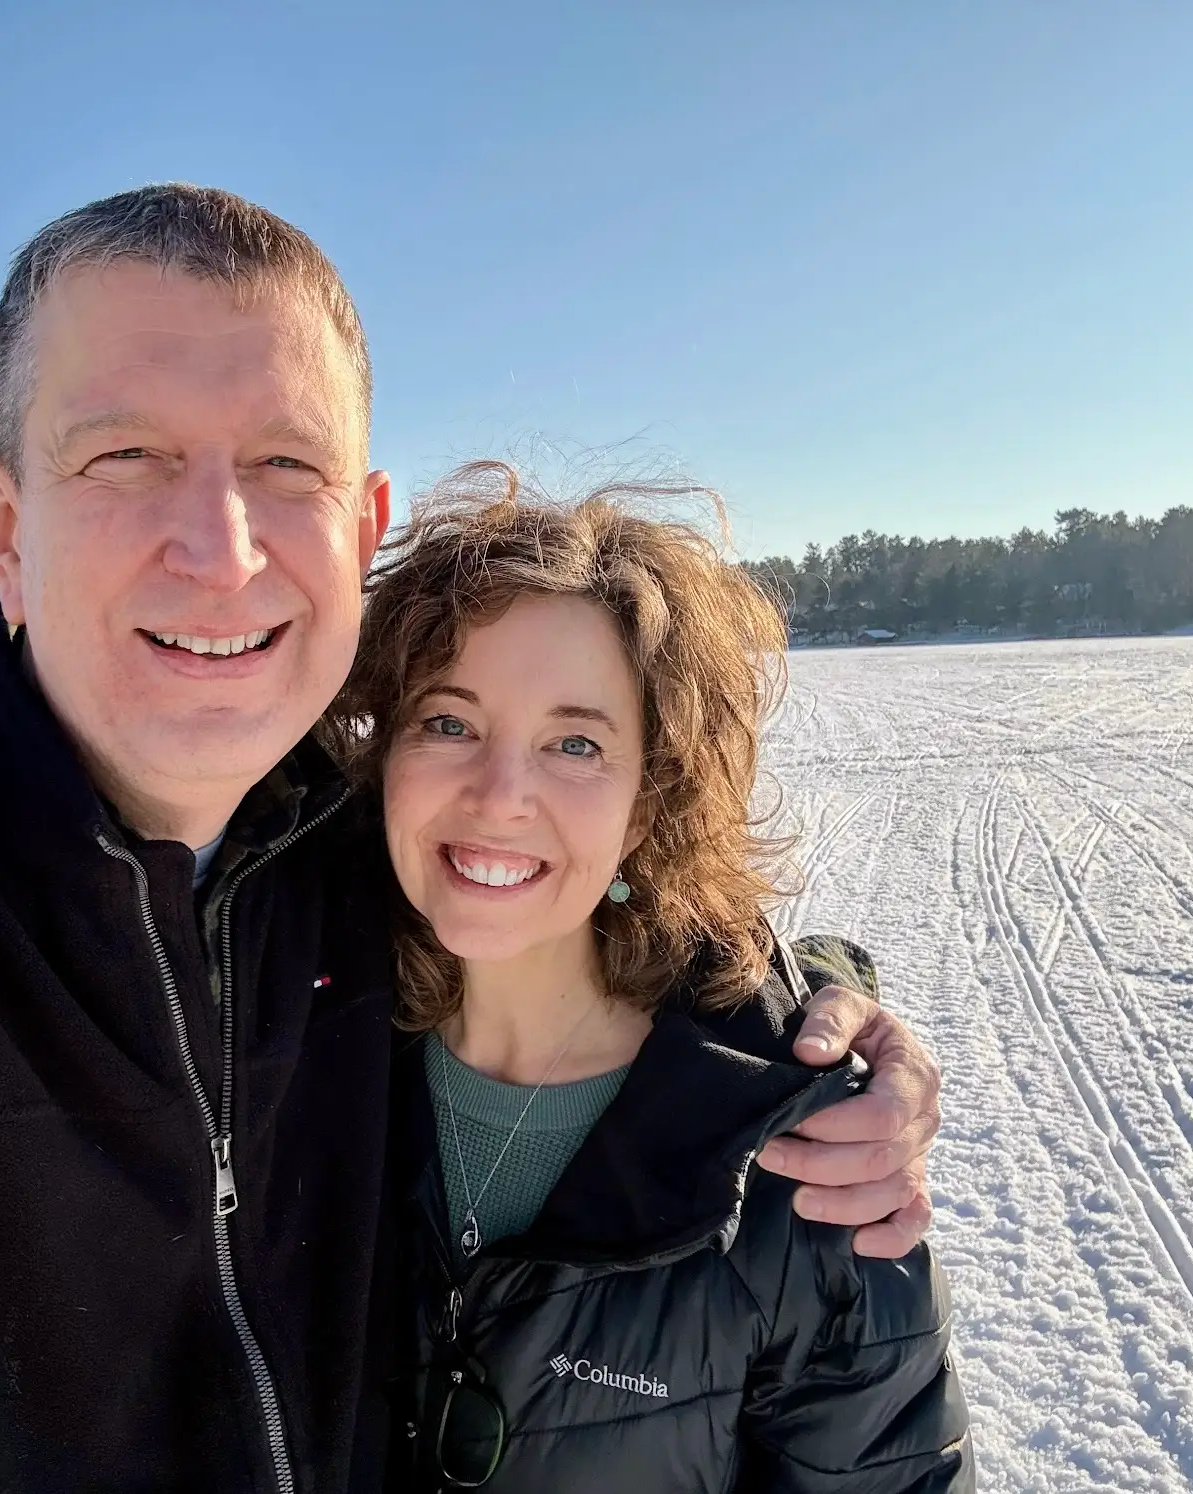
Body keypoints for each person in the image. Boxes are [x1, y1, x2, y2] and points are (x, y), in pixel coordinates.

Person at [0, 186, 942, 1493]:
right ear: (2, 522)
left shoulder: (357, 874)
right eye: (125, 457)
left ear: (358, 527)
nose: (221, 549)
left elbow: (592, 919)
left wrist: (812, 1021)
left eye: (285, 467)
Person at [324, 465, 969, 1491]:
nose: (500, 795)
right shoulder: (302, 1060)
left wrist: (816, 1018)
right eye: (448, 721)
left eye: (575, 742)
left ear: (648, 796)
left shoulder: (803, 1169)